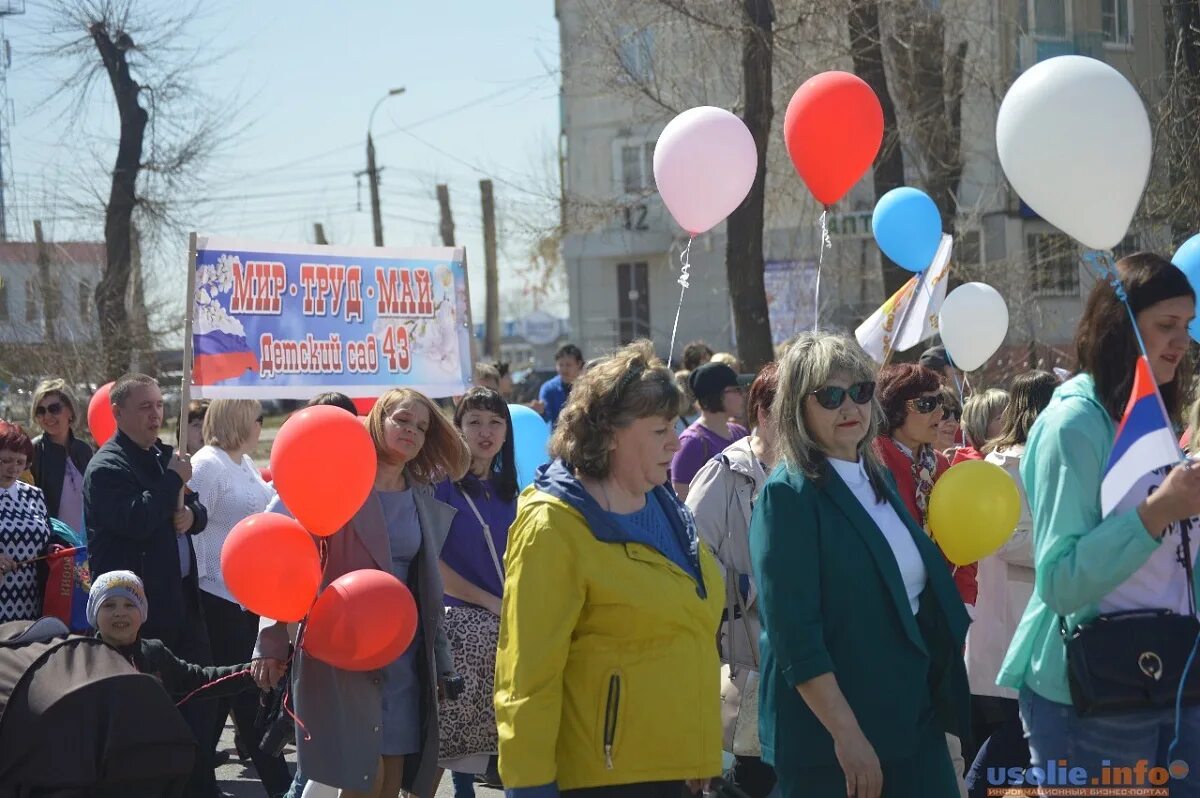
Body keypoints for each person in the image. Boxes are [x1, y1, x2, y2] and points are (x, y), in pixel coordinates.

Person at [997, 253, 1200, 785]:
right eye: (1166, 326)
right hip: (1093, 693)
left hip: (1176, 679)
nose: (1182, 340)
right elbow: (1061, 581)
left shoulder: (1151, 410)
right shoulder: (1073, 423)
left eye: (1186, 325)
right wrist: (1158, 512)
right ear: (1122, 325)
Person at [495, 340, 725, 798]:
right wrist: (530, 786)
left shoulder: (665, 504)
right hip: (600, 781)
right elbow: (527, 676)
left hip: (676, 771)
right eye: (660, 430)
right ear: (610, 432)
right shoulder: (552, 525)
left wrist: (697, 748)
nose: (676, 441)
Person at [749, 332, 970, 798]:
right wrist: (847, 736)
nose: (849, 406)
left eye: (860, 391)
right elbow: (795, 636)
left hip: (910, 715)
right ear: (797, 407)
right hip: (835, 738)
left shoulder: (876, 473)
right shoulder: (788, 494)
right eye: (830, 395)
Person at [254, 388, 468, 798]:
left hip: (405, 657)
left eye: (421, 427)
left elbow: (427, 588)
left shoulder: (421, 495)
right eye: (402, 420)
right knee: (359, 778)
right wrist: (270, 633)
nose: (411, 431)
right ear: (378, 420)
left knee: (391, 779)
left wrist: (441, 663)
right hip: (344, 650)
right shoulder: (337, 479)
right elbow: (281, 554)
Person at [82, 372, 217, 797]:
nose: (156, 415)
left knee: (200, 699)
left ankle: (200, 784)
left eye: (159, 405)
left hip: (183, 602)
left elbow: (195, 507)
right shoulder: (107, 467)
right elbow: (137, 519)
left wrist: (192, 515)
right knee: (154, 713)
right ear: (117, 413)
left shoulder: (165, 456)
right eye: (145, 407)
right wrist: (173, 481)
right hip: (139, 615)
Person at [187, 399, 291, 798]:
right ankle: (282, 787)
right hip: (216, 596)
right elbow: (191, 530)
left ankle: (192, 782)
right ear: (237, 420)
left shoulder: (242, 463)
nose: (262, 425)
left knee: (224, 698)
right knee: (245, 693)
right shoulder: (208, 464)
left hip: (246, 599)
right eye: (257, 418)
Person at [685, 363, 780, 798]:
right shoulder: (725, 472)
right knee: (753, 773)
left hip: (806, 661)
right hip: (748, 653)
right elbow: (692, 558)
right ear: (765, 412)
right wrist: (753, 586)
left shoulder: (819, 469)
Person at [962, 371, 1058, 798]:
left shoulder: (1047, 457)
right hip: (1012, 622)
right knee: (1020, 734)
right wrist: (1069, 545)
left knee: (1032, 735)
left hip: (1037, 620)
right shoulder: (1001, 466)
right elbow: (1006, 538)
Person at [433, 388, 518, 797]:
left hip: (506, 626)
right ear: (458, 429)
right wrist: (489, 603)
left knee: (493, 730)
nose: (486, 431)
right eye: (475, 422)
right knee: (451, 737)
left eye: (495, 422)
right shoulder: (440, 485)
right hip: (456, 626)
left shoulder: (512, 493)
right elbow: (430, 563)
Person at [88, 570, 280, 707]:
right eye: (109, 605)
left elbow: (201, 680)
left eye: (129, 605)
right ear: (94, 614)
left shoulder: (154, 653)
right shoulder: (85, 658)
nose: (119, 613)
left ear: (143, 612)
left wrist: (251, 673)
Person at [671, 362, 750, 501]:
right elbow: (684, 505)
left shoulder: (741, 433)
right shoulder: (692, 443)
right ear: (717, 395)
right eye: (736, 390)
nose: (743, 395)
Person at [0, 421, 51, 623]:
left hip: (33, 603)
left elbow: (45, 541)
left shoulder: (34, 495)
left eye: (20, 462)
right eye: (4, 461)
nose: (13, 469)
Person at [28, 378, 93, 534]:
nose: (47, 416)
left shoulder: (84, 451)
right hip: (53, 549)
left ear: (70, 410)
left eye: (54, 408)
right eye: (41, 411)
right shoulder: (32, 451)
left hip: (87, 546)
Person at [951, 389, 1008, 465]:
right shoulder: (971, 467)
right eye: (1001, 418)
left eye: (1013, 414)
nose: (1012, 421)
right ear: (981, 428)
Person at [538, 344, 584, 428]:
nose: (564, 369)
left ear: (579, 364)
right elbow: (546, 419)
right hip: (559, 437)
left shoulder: (588, 386)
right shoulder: (548, 389)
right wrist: (541, 412)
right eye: (560, 365)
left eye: (568, 365)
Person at [937, 386, 963, 456]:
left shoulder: (964, 460)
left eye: (957, 414)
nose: (953, 422)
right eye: (944, 413)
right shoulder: (907, 460)